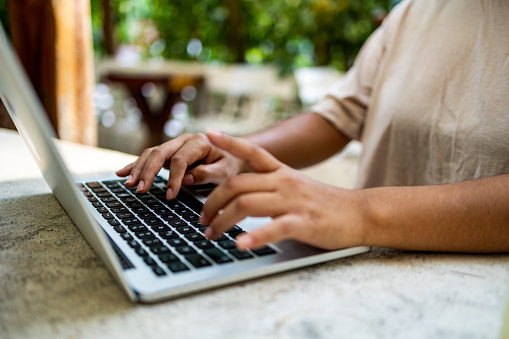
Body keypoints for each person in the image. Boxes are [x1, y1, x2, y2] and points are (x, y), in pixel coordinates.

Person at [117, 0, 509, 253]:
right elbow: (337, 119)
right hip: (374, 264)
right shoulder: (417, 12)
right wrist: (235, 153)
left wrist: (358, 211)